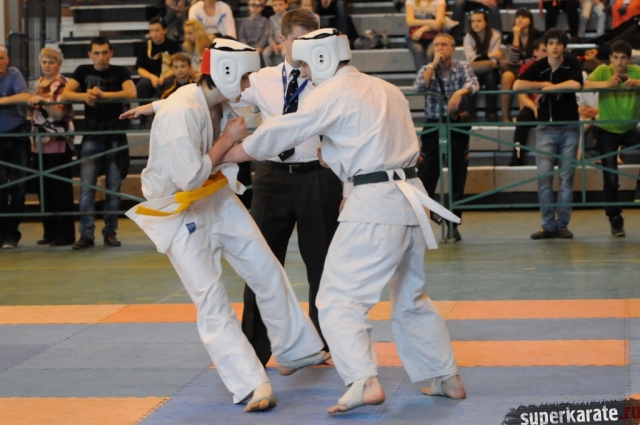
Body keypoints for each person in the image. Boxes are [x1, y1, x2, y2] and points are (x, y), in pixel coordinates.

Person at [220, 28, 466, 414]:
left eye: (305, 64)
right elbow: (373, 142)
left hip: (375, 204)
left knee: (336, 298)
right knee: (411, 295)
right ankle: (445, 376)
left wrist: (230, 152)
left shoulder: (331, 92)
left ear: (322, 58)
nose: (303, 72)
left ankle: (362, 380)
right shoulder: (387, 89)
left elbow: (285, 130)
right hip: (410, 199)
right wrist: (337, 159)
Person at [121, 38, 328, 412]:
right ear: (225, 71)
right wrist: (228, 139)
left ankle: (295, 348)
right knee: (211, 297)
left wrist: (152, 105)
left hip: (215, 194)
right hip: (179, 209)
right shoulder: (181, 113)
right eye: (245, 77)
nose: (248, 84)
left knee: (265, 266)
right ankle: (251, 383)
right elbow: (188, 177)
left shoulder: (219, 99)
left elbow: (185, 103)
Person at [233, 9, 341, 366]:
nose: (305, 47)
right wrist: (161, 105)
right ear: (282, 40)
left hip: (318, 177)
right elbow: (219, 92)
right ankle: (255, 349)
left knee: (322, 266)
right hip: (271, 178)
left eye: (313, 40)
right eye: (298, 40)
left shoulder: (329, 81)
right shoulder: (262, 79)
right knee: (261, 264)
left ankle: (323, 345)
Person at [62, 37, 137, 249]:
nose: (101, 57)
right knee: (87, 188)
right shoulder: (82, 70)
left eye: (104, 52)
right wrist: (84, 97)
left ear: (111, 53)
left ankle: (110, 232)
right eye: (96, 53)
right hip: (92, 134)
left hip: (115, 134)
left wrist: (103, 95)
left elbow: (132, 92)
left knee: (113, 188)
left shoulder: (120, 71)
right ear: (90, 54)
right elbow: (67, 93)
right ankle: (86, 234)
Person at [513, 29, 583, 240]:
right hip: (545, 129)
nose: (554, 47)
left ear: (564, 47)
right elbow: (517, 84)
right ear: (546, 46)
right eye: (550, 43)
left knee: (566, 178)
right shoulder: (540, 65)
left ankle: (562, 225)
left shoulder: (572, 63)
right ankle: (547, 225)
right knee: (544, 178)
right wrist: (542, 84)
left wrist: (549, 90)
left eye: (558, 43)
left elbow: (576, 83)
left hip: (569, 127)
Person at [414, 33, 479, 241]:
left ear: (452, 48)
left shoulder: (462, 66)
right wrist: (433, 65)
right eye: (436, 45)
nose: (440, 48)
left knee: (457, 176)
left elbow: (474, 84)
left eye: (444, 45)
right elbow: (419, 87)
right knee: (426, 176)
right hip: (434, 124)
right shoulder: (427, 69)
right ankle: (427, 219)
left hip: (456, 124)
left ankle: (453, 225)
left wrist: (459, 93)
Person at [584, 40, 640, 236]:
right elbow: (585, 84)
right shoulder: (603, 70)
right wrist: (607, 84)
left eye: (623, 58)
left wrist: (636, 84)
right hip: (607, 130)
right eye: (615, 57)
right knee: (610, 177)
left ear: (629, 60)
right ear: (610, 59)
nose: (619, 62)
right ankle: (615, 219)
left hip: (631, 128)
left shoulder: (636, 72)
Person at [27, 47, 76, 247]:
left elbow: (59, 113)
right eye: (44, 62)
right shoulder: (40, 83)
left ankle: (65, 234)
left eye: (51, 62)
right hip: (39, 142)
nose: (47, 65)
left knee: (60, 189)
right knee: (44, 189)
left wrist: (43, 102)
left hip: (58, 141)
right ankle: (50, 231)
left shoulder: (62, 84)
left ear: (59, 65)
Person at [0, 44, 31, 249]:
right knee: (0, 188)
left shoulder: (14, 74)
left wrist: (1, 101)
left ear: (8, 59)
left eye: (1, 58)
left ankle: (13, 233)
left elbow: (25, 96)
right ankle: (3, 233)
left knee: (19, 187)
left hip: (17, 137)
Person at [508, 38, 547, 166]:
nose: (547, 54)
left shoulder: (555, 66)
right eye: (544, 51)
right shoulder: (527, 67)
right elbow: (522, 95)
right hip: (531, 105)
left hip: (551, 105)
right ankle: (517, 157)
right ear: (535, 52)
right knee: (523, 117)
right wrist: (533, 107)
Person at [501, 8, 544, 122]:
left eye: (524, 17)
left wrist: (517, 62)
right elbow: (514, 59)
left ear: (530, 21)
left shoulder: (538, 36)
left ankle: (523, 116)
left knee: (522, 78)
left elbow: (537, 58)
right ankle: (505, 117)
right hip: (515, 69)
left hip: (533, 68)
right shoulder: (510, 37)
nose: (520, 20)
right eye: (518, 17)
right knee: (506, 76)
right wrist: (516, 36)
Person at [463, 9, 501, 121]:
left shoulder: (495, 35)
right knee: (474, 78)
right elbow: (471, 59)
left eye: (479, 21)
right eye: (473, 21)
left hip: (491, 70)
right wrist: (490, 55)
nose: (475, 24)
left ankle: (491, 112)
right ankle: (470, 113)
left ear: (486, 22)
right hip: (475, 69)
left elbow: (494, 62)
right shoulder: (468, 36)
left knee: (491, 77)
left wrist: (484, 58)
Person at [135, 17, 182, 102]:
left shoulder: (173, 45)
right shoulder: (144, 47)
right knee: (143, 84)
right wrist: (152, 77)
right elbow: (140, 69)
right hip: (150, 77)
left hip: (168, 76)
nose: (154, 34)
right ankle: (143, 109)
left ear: (165, 30)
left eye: (157, 30)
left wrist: (164, 77)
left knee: (170, 82)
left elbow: (178, 65)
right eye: (151, 31)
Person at [404, 0, 446, 70]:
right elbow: (410, 22)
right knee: (418, 51)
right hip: (415, 36)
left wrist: (422, 30)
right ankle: (422, 76)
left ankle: (429, 75)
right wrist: (430, 22)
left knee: (430, 53)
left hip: (434, 35)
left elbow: (439, 23)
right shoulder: (411, 1)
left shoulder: (439, 1)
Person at [262, 0, 289, 66]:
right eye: (275, 5)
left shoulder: (290, 17)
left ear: (286, 5)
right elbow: (269, 34)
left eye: (280, 4)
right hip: (275, 43)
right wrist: (273, 45)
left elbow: (291, 33)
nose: (278, 7)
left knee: (284, 53)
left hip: (286, 42)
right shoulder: (271, 18)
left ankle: (287, 69)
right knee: (265, 53)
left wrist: (283, 44)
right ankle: (270, 70)